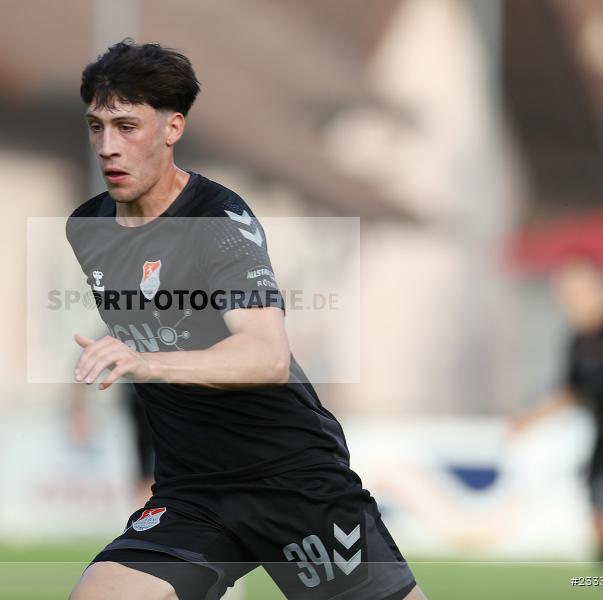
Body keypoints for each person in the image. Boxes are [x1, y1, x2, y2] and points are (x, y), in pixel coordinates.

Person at [66, 40, 425, 600]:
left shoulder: (218, 220)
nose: (107, 146)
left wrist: (147, 362)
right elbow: (160, 318)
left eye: (127, 126)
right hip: (193, 494)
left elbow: (265, 354)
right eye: (97, 126)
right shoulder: (87, 228)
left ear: (172, 127)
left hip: (291, 483)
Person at [512, 258, 603, 599]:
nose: (568, 300)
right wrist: (532, 417)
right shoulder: (579, 341)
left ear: (597, 290)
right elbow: (572, 391)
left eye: (575, 291)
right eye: (565, 293)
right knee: (602, 530)